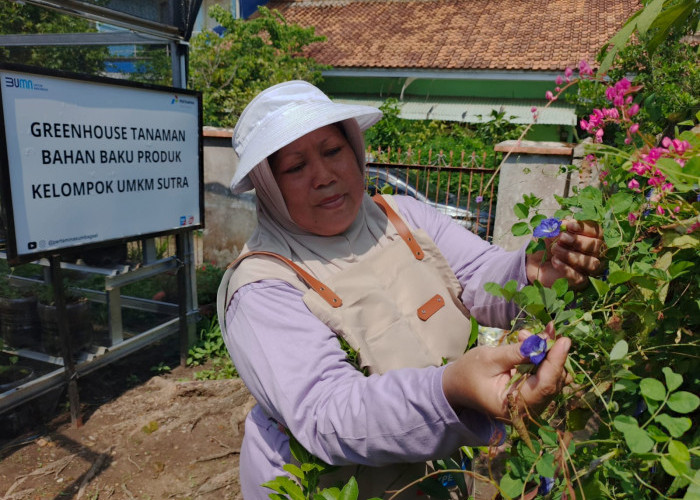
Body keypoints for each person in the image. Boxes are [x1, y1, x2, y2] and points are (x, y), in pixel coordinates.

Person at [216, 80, 603, 499]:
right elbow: (327, 413)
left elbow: (477, 273)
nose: (324, 176)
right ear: (267, 187)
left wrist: (530, 270)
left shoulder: (401, 216)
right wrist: (449, 389)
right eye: (295, 167)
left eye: (332, 151)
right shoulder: (260, 286)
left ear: (354, 148)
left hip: (440, 478)